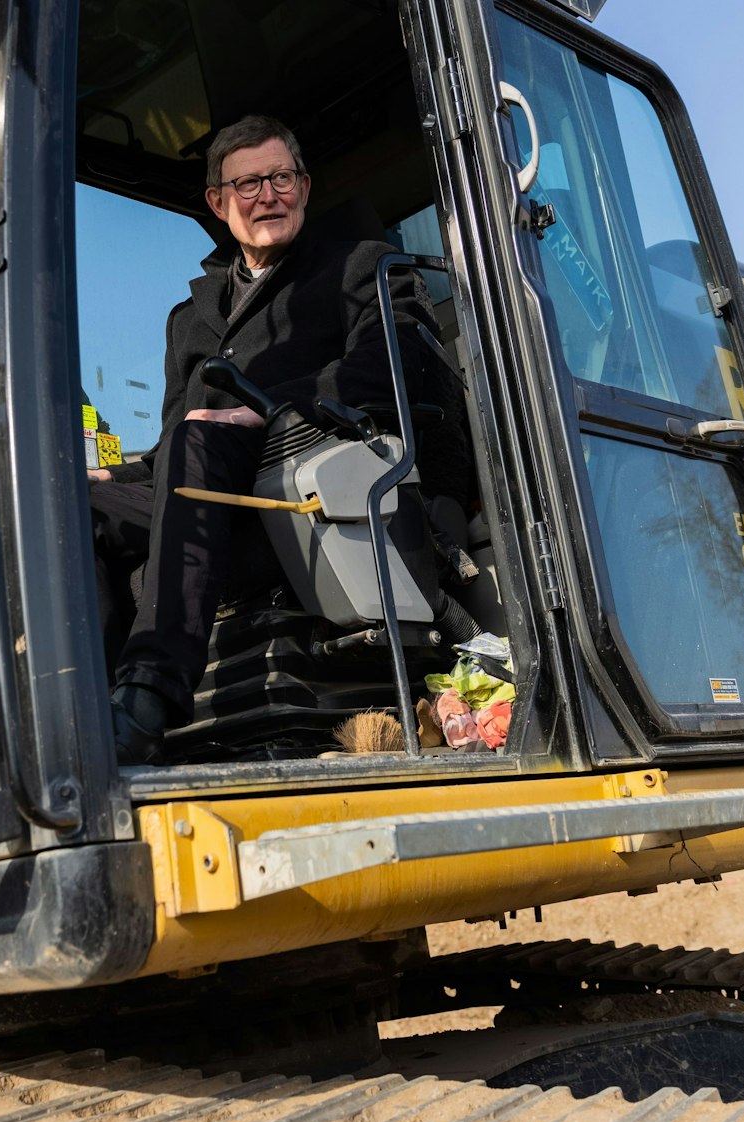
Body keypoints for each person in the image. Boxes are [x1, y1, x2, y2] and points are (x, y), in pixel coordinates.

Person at [87, 115, 470, 764]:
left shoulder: (359, 266)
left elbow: (385, 373)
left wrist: (268, 413)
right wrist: (112, 479)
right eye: (248, 184)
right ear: (217, 202)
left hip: (307, 498)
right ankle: (88, 714)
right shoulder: (191, 319)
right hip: (203, 489)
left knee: (203, 440)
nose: (267, 195)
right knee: (67, 505)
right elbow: (169, 448)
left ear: (305, 186)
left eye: (281, 178)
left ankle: (151, 692)